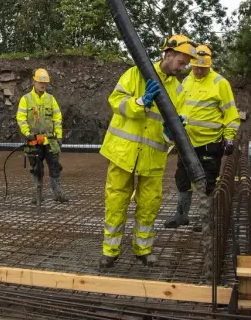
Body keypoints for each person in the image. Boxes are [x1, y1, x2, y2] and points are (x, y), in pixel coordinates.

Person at [99, 34, 195, 268]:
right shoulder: (135, 74)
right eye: (181, 63)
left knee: (149, 205)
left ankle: (143, 249)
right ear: (168, 55)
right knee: (116, 203)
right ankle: (110, 251)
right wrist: (140, 102)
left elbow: (176, 128)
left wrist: (172, 132)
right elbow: (116, 102)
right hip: (123, 153)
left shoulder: (178, 90)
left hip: (152, 158)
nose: (184, 68)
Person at [164, 44, 241, 229]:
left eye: (202, 68)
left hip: (209, 143)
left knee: (206, 183)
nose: (198, 71)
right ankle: (181, 216)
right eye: (195, 67)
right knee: (182, 180)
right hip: (187, 143)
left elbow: (231, 113)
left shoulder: (219, 83)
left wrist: (229, 137)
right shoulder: (187, 81)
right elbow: (178, 107)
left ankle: (206, 220)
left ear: (209, 65)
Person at [16, 68, 68, 203]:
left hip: (50, 139)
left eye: (45, 83)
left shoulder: (51, 99)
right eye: (40, 82)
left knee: (55, 166)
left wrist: (59, 137)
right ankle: (37, 195)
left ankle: (58, 194)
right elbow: (21, 118)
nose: (42, 85)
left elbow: (57, 118)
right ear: (34, 81)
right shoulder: (26, 99)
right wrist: (28, 134)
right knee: (37, 168)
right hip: (33, 140)